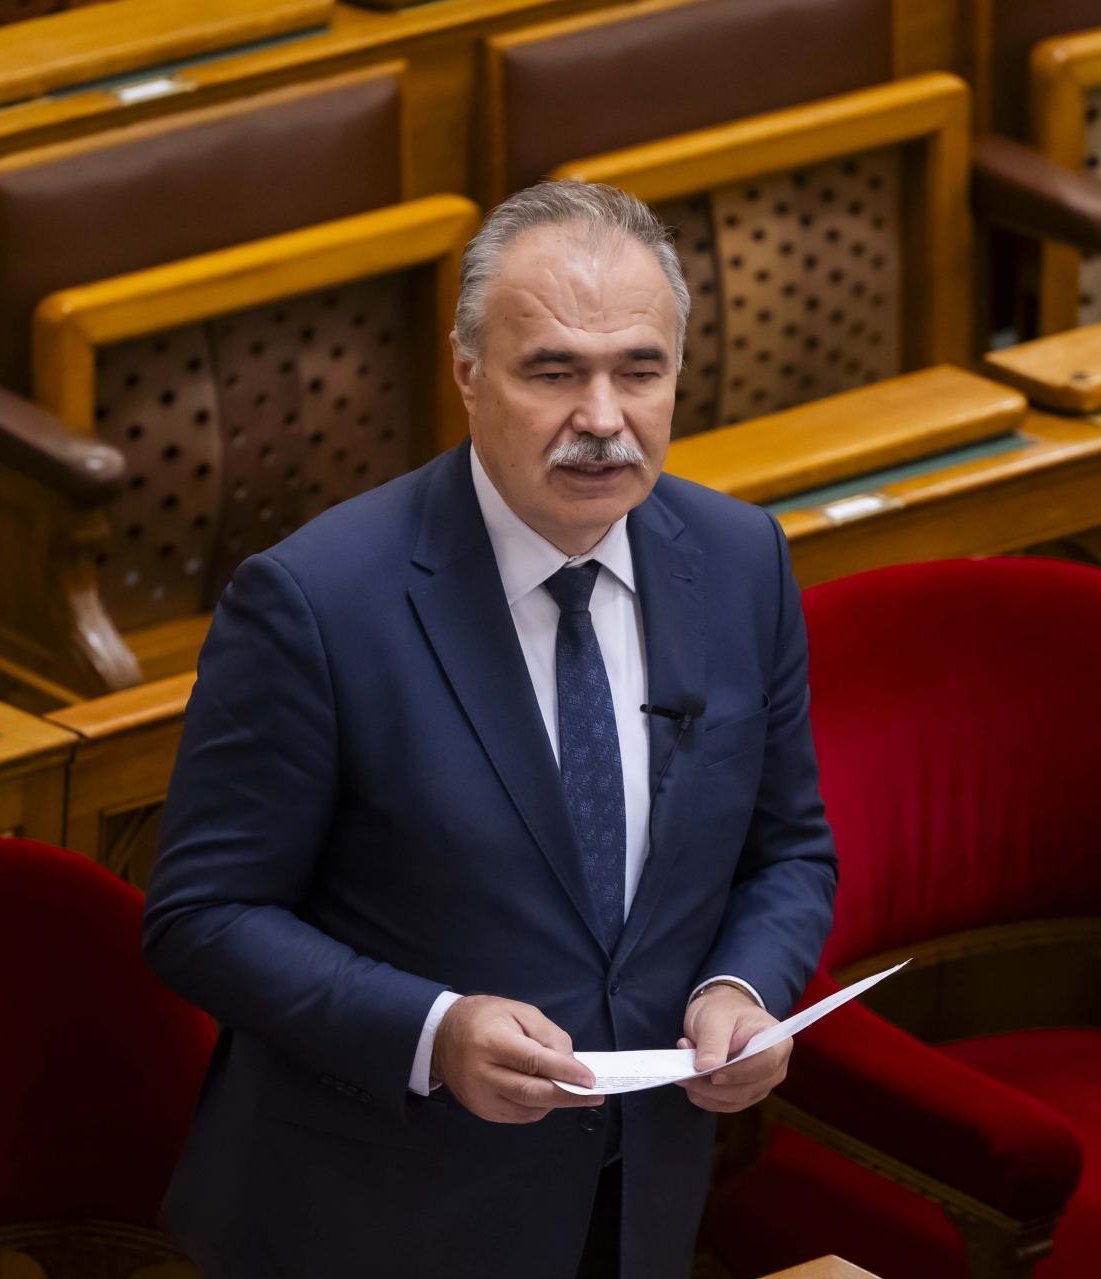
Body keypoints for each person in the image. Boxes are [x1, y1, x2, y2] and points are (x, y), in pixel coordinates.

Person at [142, 180, 838, 1279]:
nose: (602, 418)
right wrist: (432, 1029)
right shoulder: (315, 602)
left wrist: (740, 991)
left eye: (639, 371)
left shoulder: (740, 558)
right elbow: (202, 915)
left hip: (634, 1202)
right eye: (554, 372)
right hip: (373, 1218)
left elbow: (788, 850)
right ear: (468, 373)